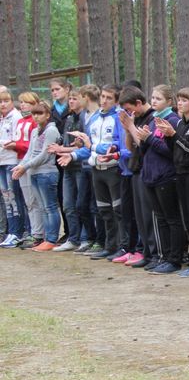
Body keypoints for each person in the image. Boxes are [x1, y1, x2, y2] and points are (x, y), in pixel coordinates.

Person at [130, 85, 183, 274]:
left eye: (158, 98)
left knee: (172, 219)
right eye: (152, 97)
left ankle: (175, 259)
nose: (153, 101)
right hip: (151, 175)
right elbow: (146, 149)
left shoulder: (172, 120)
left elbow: (171, 151)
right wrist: (143, 139)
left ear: (169, 101)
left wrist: (150, 138)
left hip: (166, 176)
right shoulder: (153, 119)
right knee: (160, 219)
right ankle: (163, 256)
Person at [157, 87, 189, 277]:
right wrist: (169, 136)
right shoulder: (181, 123)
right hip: (179, 173)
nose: (180, 103)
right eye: (179, 100)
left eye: (185, 100)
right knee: (187, 220)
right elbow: (175, 150)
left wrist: (174, 135)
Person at [70, 84, 125, 261]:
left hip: (113, 169)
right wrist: (72, 155)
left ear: (116, 101)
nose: (104, 101)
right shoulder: (94, 119)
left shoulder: (118, 118)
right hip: (96, 170)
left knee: (118, 210)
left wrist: (93, 146)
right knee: (104, 210)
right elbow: (89, 148)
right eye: (102, 96)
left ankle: (123, 247)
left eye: (109, 98)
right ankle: (109, 246)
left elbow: (115, 145)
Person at [117, 87, 158, 268]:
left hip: (147, 170)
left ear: (139, 103)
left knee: (149, 216)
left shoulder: (152, 118)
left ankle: (155, 253)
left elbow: (143, 143)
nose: (128, 113)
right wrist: (127, 130)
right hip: (134, 169)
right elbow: (130, 147)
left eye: (129, 109)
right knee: (140, 216)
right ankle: (146, 253)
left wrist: (132, 127)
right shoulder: (137, 118)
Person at [12, 100, 60, 251]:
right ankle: (46, 238)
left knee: (50, 207)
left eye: (39, 113)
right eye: (34, 114)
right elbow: (30, 152)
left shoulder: (51, 131)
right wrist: (21, 165)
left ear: (47, 115)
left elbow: (45, 155)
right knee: (42, 207)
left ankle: (52, 239)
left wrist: (25, 166)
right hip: (34, 173)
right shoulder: (35, 131)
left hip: (47, 173)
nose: (36, 117)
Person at [49, 88, 92, 252]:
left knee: (82, 204)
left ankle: (86, 238)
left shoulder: (86, 118)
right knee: (68, 204)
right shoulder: (69, 118)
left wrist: (63, 150)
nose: (71, 101)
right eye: (70, 99)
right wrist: (59, 146)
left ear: (83, 99)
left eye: (75, 98)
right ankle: (73, 238)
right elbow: (68, 142)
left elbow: (84, 146)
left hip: (81, 166)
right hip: (67, 167)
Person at [12, 92, 40, 248]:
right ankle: (33, 232)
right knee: (28, 201)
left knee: (34, 200)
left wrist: (15, 145)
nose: (22, 105)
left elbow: (32, 145)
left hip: (30, 163)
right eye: (21, 102)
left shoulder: (33, 122)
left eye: (26, 102)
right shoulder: (21, 121)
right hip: (20, 160)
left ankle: (38, 233)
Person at [48, 79, 72, 243]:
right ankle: (68, 231)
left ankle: (79, 233)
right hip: (56, 157)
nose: (55, 92)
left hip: (72, 154)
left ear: (67, 89)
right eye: (52, 90)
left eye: (57, 89)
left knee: (73, 197)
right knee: (61, 195)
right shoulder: (51, 111)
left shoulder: (72, 107)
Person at [0, 88, 24, 247]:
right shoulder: (2, 118)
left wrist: (8, 144)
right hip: (1, 161)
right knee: (6, 196)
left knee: (14, 197)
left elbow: (17, 140)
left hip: (12, 160)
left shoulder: (16, 117)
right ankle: (11, 231)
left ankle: (18, 232)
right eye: (0, 102)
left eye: (6, 101)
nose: (3, 104)